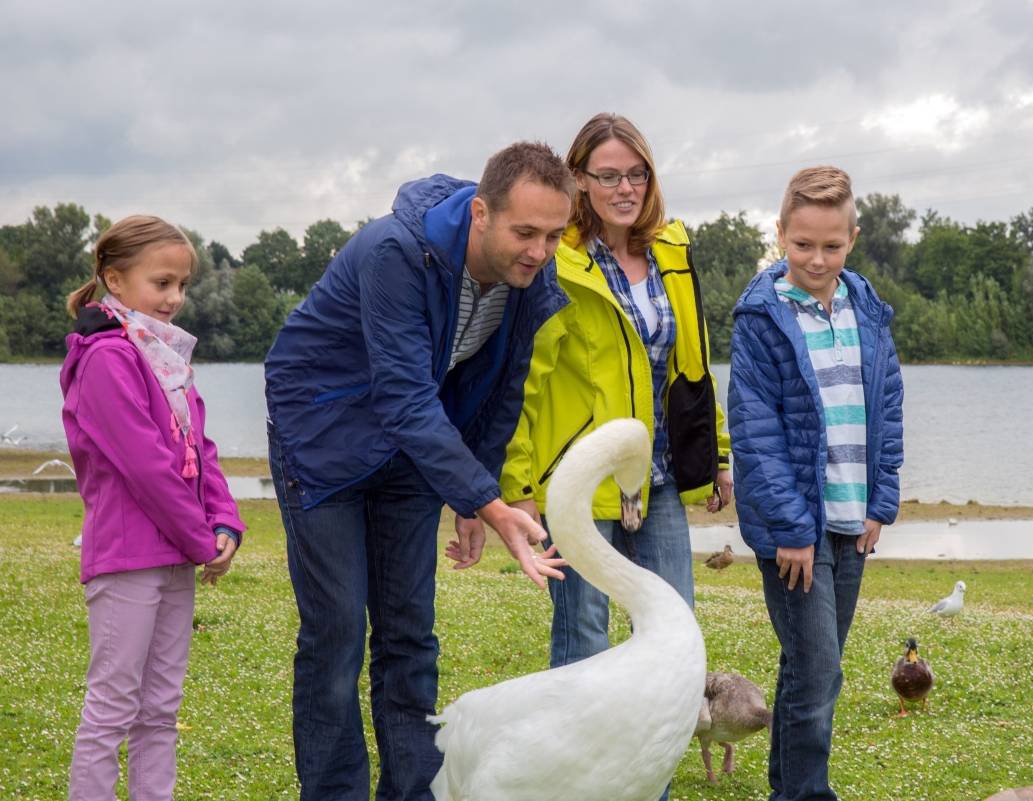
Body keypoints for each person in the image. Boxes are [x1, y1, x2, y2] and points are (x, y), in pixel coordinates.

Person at [264, 141, 575, 801]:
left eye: (553, 235)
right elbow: (404, 396)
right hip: (322, 438)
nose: (539, 250)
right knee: (340, 629)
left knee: (409, 632)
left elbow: (501, 393)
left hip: (407, 445)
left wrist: (470, 494)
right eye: (525, 231)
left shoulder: (529, 277)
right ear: (482, 214)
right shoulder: (395, 253)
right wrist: (489, 503)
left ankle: (411, 793)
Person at [502, 113, 732, 675]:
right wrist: (519, 487)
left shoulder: (672, 253)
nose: (625, 189)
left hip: (660, 474)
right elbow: (523, 384)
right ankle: (580, 762)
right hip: (578, 481)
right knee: (585, 633)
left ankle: (652, 757)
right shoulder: (559, 264)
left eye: (637, 174)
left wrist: (718, 453)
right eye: (608, 176)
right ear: (578, 178)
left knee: (674, 625)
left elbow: (692, 364)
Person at [727, 166, 904, 801]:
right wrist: (792, 533)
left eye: (831, 245)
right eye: (802, 245)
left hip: (853, 520)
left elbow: (887, 408)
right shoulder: (761, 316)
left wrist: (882, 499)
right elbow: (755, 433)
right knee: (819, 669)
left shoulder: (868, 309)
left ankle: (787, 789)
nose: (816, 258)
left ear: (852, 238)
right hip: (795, 530)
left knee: (808, 667)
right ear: (780, 235)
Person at [61, 215, 245, 801]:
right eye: (161, 283)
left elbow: (201, 450)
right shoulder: (107, 358)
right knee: (113, 707)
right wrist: (200, 540)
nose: (175, 298)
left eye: (182, 284)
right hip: (127, 559)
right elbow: (146, 467)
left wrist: (224, 522)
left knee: (161, 709)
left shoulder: (164, 357)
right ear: (115, 279)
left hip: (176, 556)